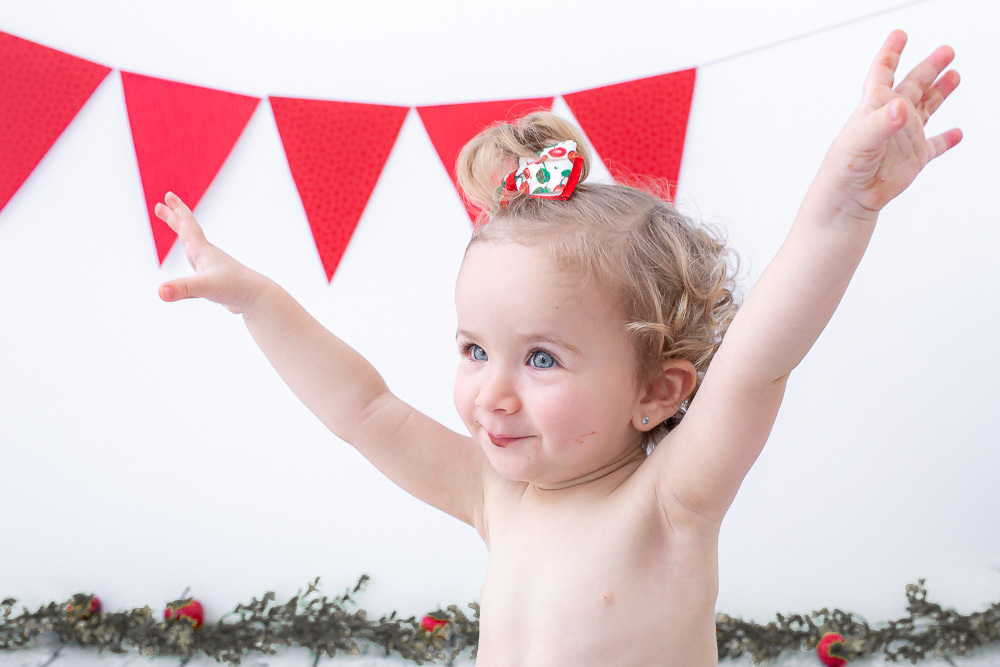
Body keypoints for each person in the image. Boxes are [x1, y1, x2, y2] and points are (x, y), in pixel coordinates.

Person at [155, 31, 961, 665]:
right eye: (475, 349)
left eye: (540, 358)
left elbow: (759, 358)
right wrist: (256, 300)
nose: (493, 393)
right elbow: (363, 407)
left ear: (657, 390)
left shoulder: (669, 503)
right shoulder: (494, 495)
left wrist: (844, 205)